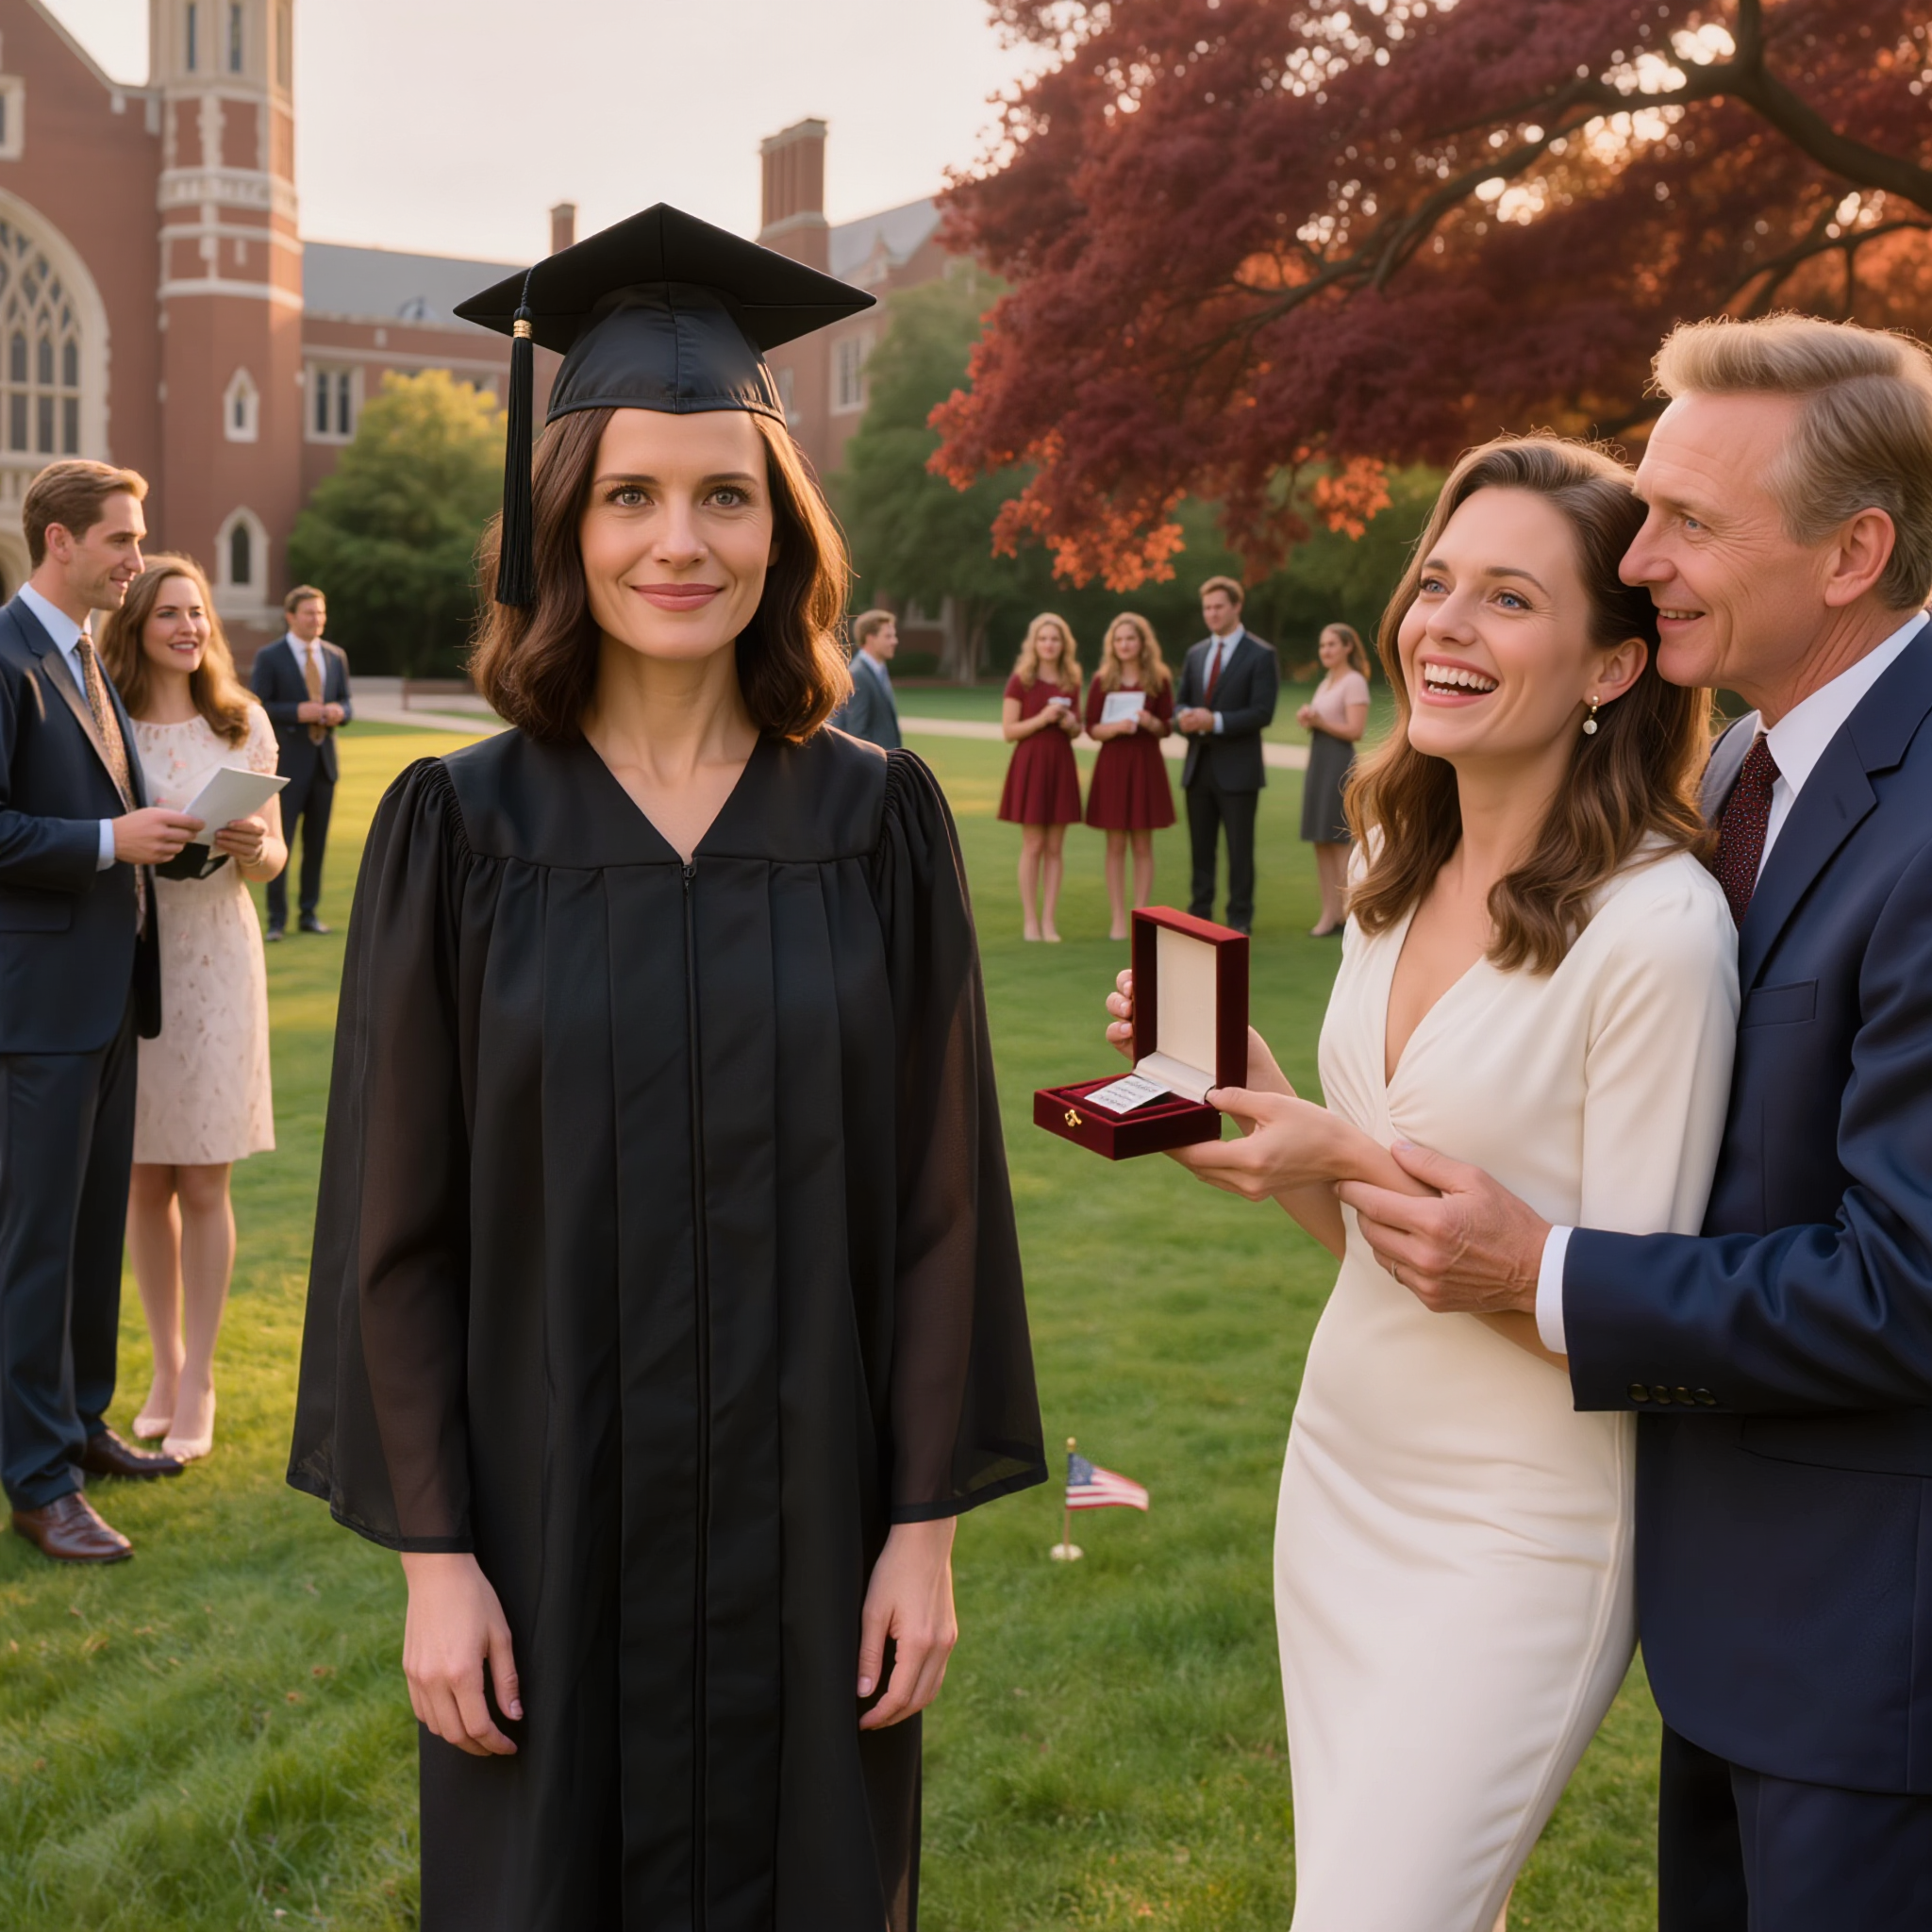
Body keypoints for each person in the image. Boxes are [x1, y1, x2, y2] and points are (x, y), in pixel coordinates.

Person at [287, 204, 1046, 1932]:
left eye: (726, 494)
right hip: (543, 1547)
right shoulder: (459, 831)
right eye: (630, 494)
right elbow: (391, 1231)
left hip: (813, 1535)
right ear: (561, 521)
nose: (678, 541)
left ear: (782, 523)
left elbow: (941, 1207)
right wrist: (436, 1559)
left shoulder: (874, 823)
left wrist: (917, 1530)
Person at [1336, 318, 1932, 1928]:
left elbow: (1906, 1281)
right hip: (1722, 1619)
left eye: (1686, 522)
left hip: (1865, 1654)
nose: (1640, 551)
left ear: (1850, 551)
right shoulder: (1747, 762)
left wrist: (1534, 1270)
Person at [1108, 437, 1737, 1929]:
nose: (1443, 623)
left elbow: (1647, 1340)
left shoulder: (1661, 933)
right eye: (1437, 583)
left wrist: (1340, 1150)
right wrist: (1278, 1134)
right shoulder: (1396, 849)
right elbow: (1383, 1250)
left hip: (1519, 1531)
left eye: (1509, 598)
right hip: (1341, 1471)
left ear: (1609, 668)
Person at [0, 459, 204, 1563]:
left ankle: (78, 1427)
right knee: (33, 1244)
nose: (136, 558)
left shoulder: (87, 660)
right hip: (33, 1010)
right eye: (121, 540)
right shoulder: (5, 655)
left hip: (113, 994)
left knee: (86, 1234)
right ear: (59, 540)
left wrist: (162, 833)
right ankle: (34, 1480)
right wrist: (102, 842)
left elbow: (100, 807)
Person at [100, 557, 285, 1464]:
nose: (187, 625)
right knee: (141, 1178)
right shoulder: (110, 722)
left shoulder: (240, 722)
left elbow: (273, 862)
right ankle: (163, 1368)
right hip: (135, 962)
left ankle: (202, 1376)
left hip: (217, 959)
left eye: (198, 611)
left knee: (204, 1177)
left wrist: (255, 842)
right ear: (135, 624)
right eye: (168, 612)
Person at [1174, 575, 1278, 934]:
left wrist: (1213, 720)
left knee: (1239, 851)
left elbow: (1262, 712)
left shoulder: (1261, 654)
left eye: (1219, 606)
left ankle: (1239, 921)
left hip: (1239, 770)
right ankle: (1198, 918)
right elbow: (1180, 703)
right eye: (1207, 608)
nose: (1212, 614)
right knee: (1200, 851)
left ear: (1236, 606)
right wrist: (1182, 718)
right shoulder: (1196, 653)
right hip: (1198, 768)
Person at [251, 584, 352, 940]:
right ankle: (276, 921)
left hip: (324, 766)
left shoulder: (335, 656)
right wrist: (297, 711)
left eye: (321, 613)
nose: (317, 619)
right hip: (287, 767)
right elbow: (258, 707)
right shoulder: (270, 657)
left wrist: (340, 711)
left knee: (317, 844)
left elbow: (347, 703)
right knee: (282, 843)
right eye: (310, 613)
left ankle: (309, 914)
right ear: (291, 616)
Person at [1083, 611, 1174, 941]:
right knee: (1115, 843)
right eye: (1119, 639)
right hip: (1113, 764)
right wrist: (1113, 728)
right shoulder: (1102, 680)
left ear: (1141, 642)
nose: (1124, 644)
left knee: (1142, 843)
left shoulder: (1159, 679)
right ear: (1113, 644)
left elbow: (1167, 725)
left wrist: (1150, 723)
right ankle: (1118, 919)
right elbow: (1090, 726)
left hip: (1146, 763)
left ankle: (1142, 915)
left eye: (1130, 639)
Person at [997, 612, 1083, 941]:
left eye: (1055, 639)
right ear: (1035, 643)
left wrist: (1070, 724)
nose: (1049, 644)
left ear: (1064, 644)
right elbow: (1009, 730)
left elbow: (1078, 729)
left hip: (1061, 763)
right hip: (1030, 764)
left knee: (1056, 847)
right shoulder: (1021, 680)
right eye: (1044, 638)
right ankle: (1030, 921)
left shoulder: (1071, 680)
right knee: (1033, 845)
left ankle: (1049, 921)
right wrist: (1043, 717)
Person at [1297, 623, 1372, 936]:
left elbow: (1355, 730)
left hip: (1338, 762)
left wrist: (1320, 721)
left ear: (1347, 648)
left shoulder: (1354, 682)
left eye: (1331, 645)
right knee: (1320, 838)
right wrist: (1310, 720)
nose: (1325, 650)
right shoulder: (1327, 681)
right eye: (1322, 645)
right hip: (1319, 759)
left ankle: (1348, 913)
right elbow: (1324, 720)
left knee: (1340, 840)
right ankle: (1329, 913)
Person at [830, 607, 902, 748]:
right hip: (874, 766)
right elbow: (856, 734)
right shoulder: (858, 675)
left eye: (894, 635)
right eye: (888, 636)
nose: (895, 641)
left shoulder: (878, 670)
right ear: (870, 638)